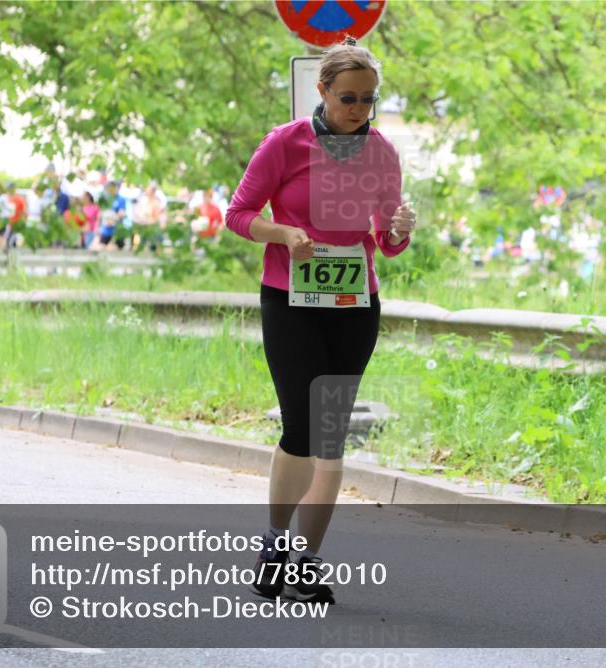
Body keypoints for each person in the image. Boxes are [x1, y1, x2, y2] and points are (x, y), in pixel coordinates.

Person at [226, 35, 415, 604]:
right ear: (323, 90)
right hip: (290, 300)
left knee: (330, 434)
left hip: (354, 305)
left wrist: (399, 230)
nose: (359, 110)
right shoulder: (286, 144)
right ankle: (275, 544)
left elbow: (384, 240)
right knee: (301, 429)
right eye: (349, 98)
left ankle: (307, 562)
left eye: (368, 99)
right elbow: (237, 215)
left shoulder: (380, 151)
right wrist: (284, 233)